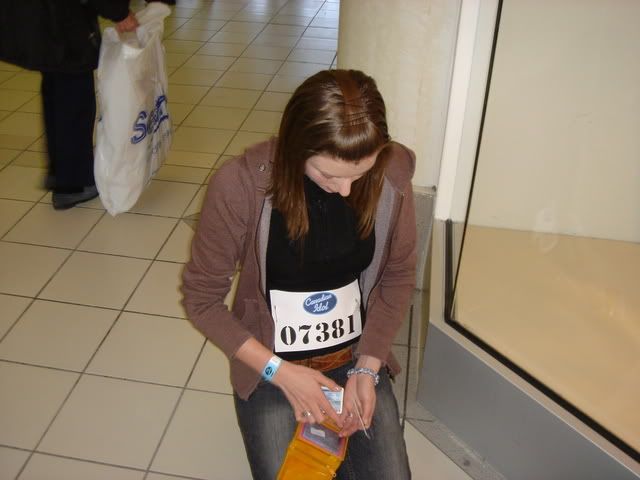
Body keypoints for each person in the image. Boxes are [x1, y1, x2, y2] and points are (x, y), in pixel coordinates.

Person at [182, 69, 417, 480]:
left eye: (359, 174)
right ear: (296, 148)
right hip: (273, 364)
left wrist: (368, 366)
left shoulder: (391, 173)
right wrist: (282, 374)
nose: (345, 190)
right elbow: (201, 300)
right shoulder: (240, 185)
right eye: (329, 175)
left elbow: (398, 275)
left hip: (355, 355)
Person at [0, 1, 138, 209]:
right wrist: (119, 12)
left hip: (40, 18)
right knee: (73, 98)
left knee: (55, 88)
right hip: (64, 22)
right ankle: (73, 184)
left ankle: (60, 172)